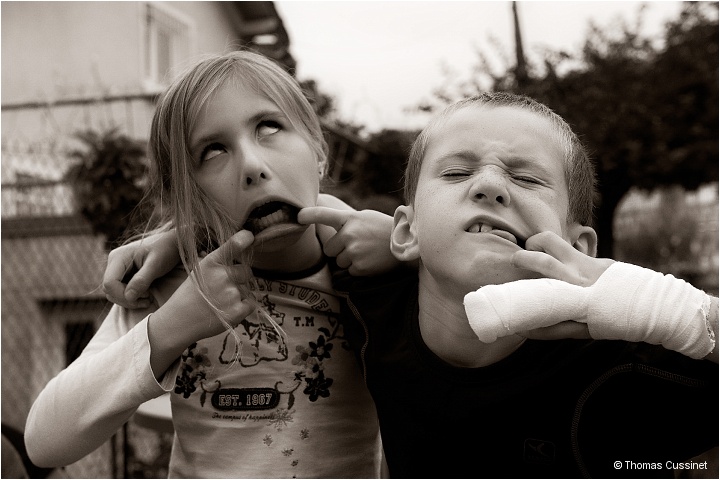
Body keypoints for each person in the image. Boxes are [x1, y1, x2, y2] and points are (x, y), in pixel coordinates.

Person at [98, 92, 719, 478]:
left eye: (526, 180)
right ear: (406, 233)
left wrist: (653, 304)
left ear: (579, 246)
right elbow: (290, 213)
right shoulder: (375, 300)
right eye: (457, 171)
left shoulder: (635, 366)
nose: (491, 186)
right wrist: (187, 233)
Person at [24, 50, 389, 478]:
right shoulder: (172, 286)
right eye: (213, 152)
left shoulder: (373, 274)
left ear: (319, 151)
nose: (252, 166)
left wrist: (407, 252)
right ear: (186, 197)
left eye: (269, 127)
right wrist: (172, 326)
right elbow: (43, 443)